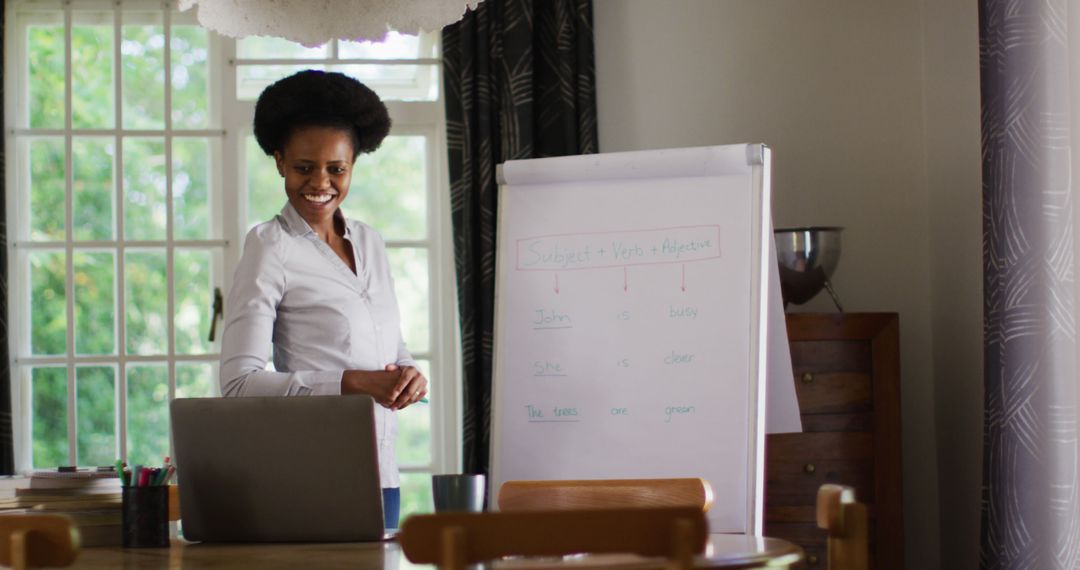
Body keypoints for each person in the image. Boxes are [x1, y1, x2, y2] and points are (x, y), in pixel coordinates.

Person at [218, 70, 428, 529]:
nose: (320, 183)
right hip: (313, 475)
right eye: (303, 167)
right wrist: (354, 383)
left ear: (353, 165)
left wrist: (408, 372)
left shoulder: (370, 242)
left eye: (337, 169)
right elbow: (238, 383)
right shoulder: (270, 247)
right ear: (279, 161)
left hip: (383, 473)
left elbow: (387, 346)